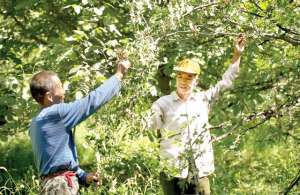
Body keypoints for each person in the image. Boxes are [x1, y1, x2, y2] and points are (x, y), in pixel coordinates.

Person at [149, 34, 246, 195]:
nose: (184, 81)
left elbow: (226, 82)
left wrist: (237, 55)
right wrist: (151, 115)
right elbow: (151, 127)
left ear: (196, 80)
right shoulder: (162, 103)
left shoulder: (203, 99)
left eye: (189, 77)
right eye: (180, 76)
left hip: (200, 170)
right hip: (172, 171)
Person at [29, 60, 130, 194]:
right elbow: (91, 102)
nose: (64, 91)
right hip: (60, 186)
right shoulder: (56, 113)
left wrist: (83, 176)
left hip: (51, 185)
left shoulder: (35, 122)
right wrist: (118, 75)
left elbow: (57, 160)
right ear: (49, 96)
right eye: (59, 86)